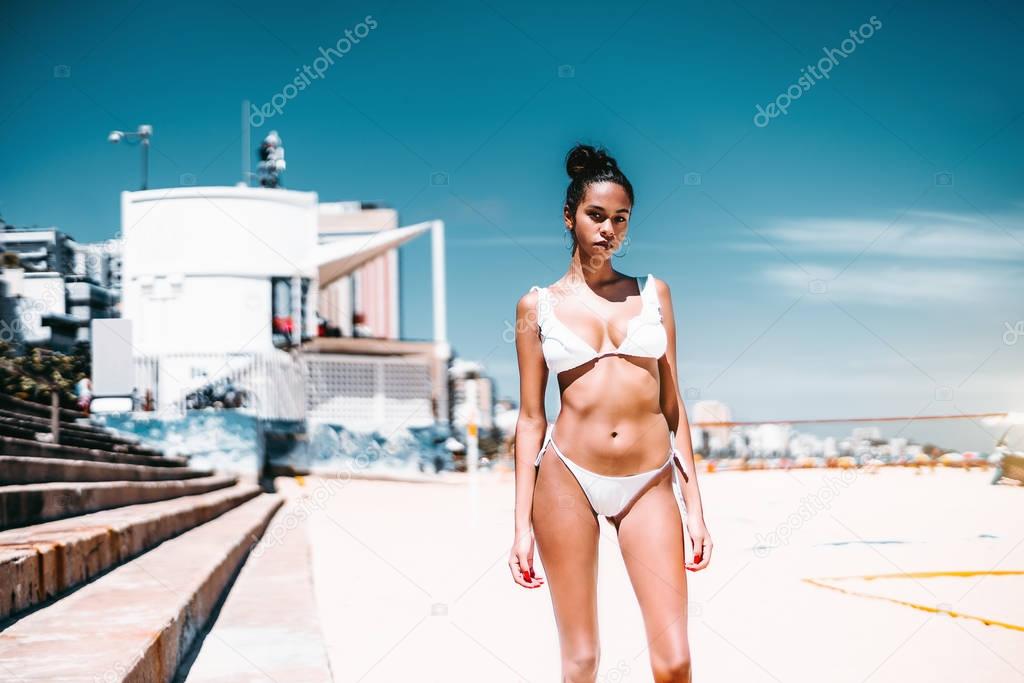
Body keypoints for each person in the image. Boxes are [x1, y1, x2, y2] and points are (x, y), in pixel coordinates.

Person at [510, 143, 711, 682]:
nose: (608, 229)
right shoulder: (537, 306)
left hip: (649, 481)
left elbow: (673, 403)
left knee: (674, 660)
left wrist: (694, 506)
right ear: (570, 216)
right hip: (566, 479)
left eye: (620, 219)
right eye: (596, 216)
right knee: (581, 661)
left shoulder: (654, 294)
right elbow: (531, 418)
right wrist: (520, 526)